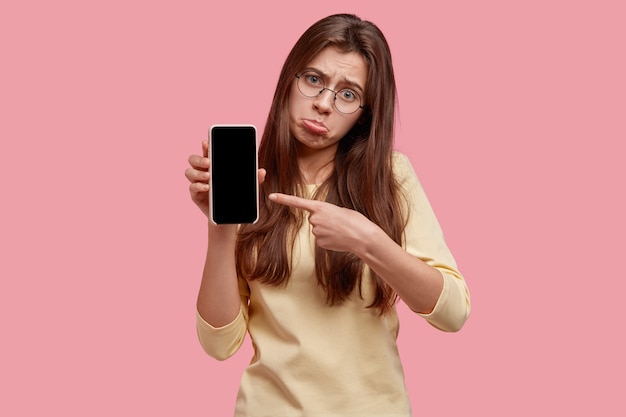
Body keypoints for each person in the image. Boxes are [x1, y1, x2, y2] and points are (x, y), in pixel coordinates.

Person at [185, 13, 470, 417]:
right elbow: (218, 346)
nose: (323, 104)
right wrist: (220, 228)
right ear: (289, 80)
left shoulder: (390, 177)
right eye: (314, 80)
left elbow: (453, 311)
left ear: (364, 114)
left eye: (348, 94)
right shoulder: (251, 181)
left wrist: (368, 241)